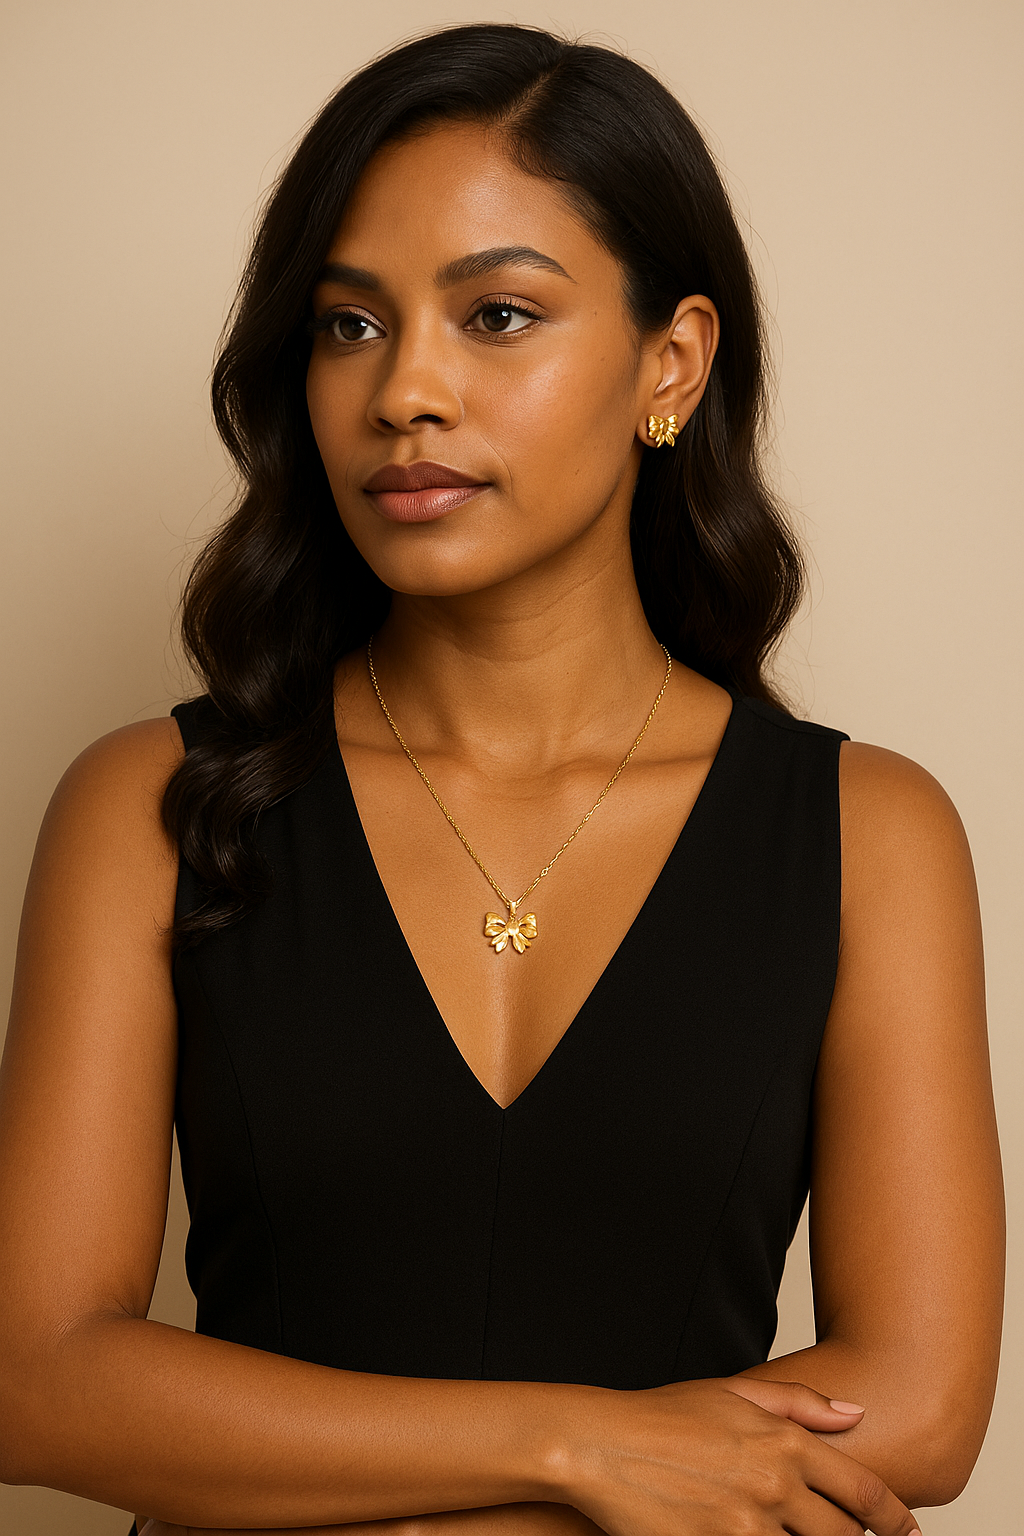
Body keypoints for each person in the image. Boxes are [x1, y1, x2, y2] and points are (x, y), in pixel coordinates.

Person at [0, 22, 1003, 1536]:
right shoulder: (149, 805)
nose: (406, 391)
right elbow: (32, 1377)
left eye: (497, 316)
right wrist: (578, 1453)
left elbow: (921, 1410)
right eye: (349, 327)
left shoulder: (872, 832)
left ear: (671, 364)